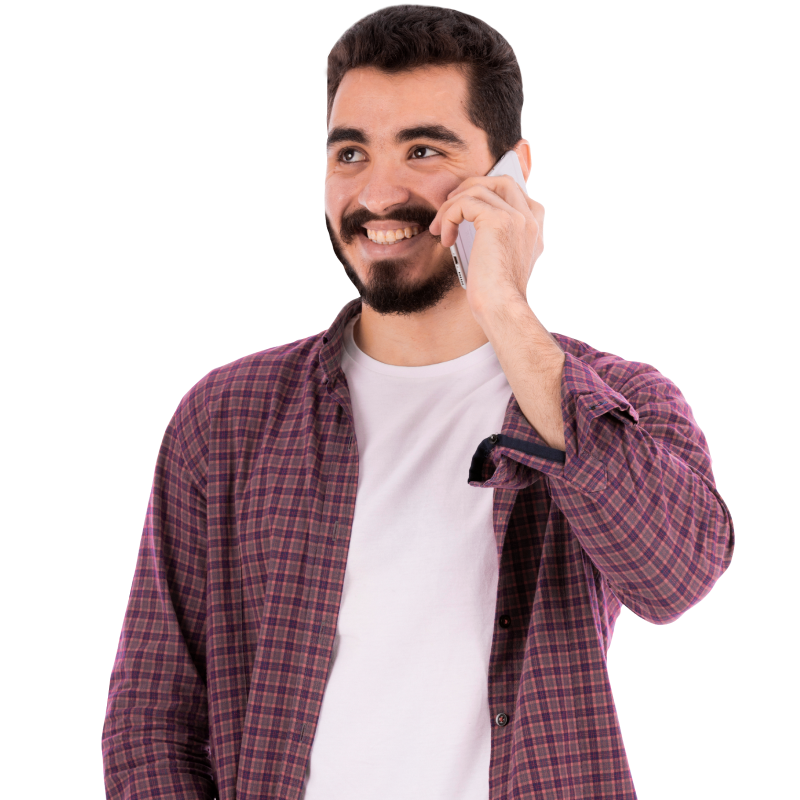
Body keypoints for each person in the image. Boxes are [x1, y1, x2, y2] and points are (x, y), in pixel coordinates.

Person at [101, 6, 735, 799]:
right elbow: (151, 720)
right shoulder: (226, 417)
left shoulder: (620, 400)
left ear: (512, 173)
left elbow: (676, 578)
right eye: (351, 153)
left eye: (424, 150)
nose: (378, 193)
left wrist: (505, 307)